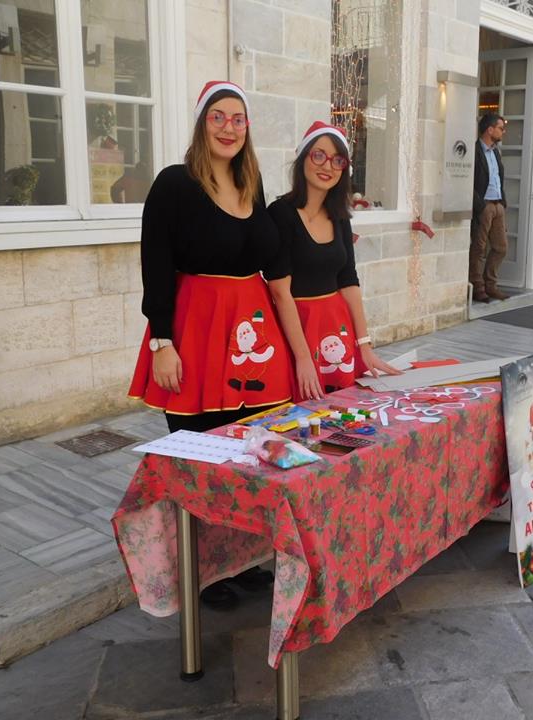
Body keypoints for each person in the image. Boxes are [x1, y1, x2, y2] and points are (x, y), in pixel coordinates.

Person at [127, 80, 298, 606]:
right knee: (200, 457)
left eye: (237, 118)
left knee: (243, 453)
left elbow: (268, 259)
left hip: (249, 338)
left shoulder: (251, 183)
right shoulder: (175, 184)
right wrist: (162, 341)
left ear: (248, 128)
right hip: (195, 336)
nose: (228, 127)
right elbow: (155, 263)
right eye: (218, 117)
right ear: (203, 124)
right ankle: (201, 572)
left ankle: (238, 558)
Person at [268, 121, 400, 400]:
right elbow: (280, 291)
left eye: (337, 160)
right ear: (303, 158)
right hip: (297, 328)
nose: (327, 166)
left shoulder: (339, 216)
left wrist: (364, 346)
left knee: (342, 408)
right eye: (319, 155)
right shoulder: (280, 213)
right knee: (301, 408)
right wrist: (303, 357)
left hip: (335, 326)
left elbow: (348, 280)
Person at [470, 113, 509, 304]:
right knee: (479, 248)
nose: (503, 131)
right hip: (484, 205)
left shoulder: (495, 152)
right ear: (490, 129)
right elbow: (469, 181)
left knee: (501, 247)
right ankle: (477, 287)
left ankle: (490, 284)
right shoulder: (475, 151)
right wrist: (480, 205)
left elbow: (498, 178)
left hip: (497, 204)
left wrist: (502, 203)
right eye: (501, 128)